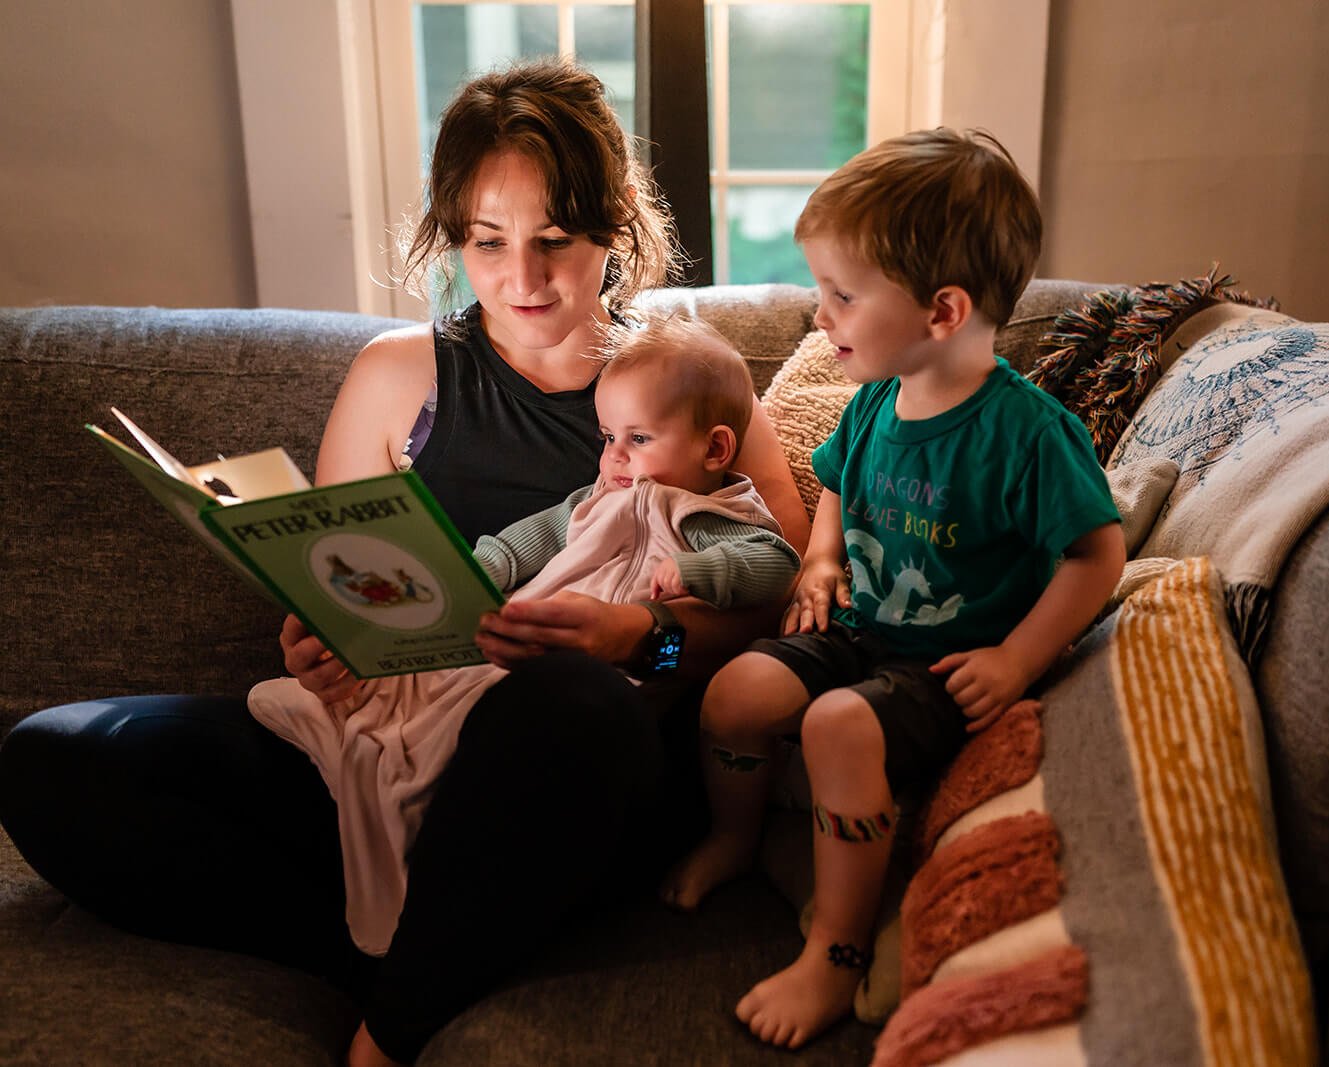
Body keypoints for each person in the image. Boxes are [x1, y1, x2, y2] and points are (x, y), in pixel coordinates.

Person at [0, 60, 809, 1067]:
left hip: (574, 776)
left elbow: (781, 616)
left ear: (615, 226)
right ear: (452, 240)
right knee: (55, 756)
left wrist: (646, 640)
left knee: (576, 701)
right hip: (385, 747)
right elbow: (337, 585)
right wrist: (322, 644)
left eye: (556, 240)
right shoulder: (399, 374)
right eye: (486, 242)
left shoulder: (688, 383)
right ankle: (412, 949)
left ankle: (393, 1022)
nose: (523, 279)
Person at [658, 128, 1127, 1048]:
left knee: (837, 726)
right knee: (734, 690)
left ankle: (835, 952)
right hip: (860, 626)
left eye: (841, 295)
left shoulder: (1028, 433)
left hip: (945, 663)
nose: (819, 316)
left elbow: (1096, 555)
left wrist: (1016, 656)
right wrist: (823, 555)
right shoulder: (875, 396)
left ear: (943, 310)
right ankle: (739, 837)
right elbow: (836, 482)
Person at [247, 315, 801, 957]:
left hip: (610, 698)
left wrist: (666, 609)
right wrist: (465, 574)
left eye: (638, 439)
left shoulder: (705, 507)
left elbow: (776, 571)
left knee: (516, 706)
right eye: (607, 437)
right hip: (507, 637)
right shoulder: (594, 494)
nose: (615, 456)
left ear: (715, 450)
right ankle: (356, 726)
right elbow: (530, 538)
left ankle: (394, 782)